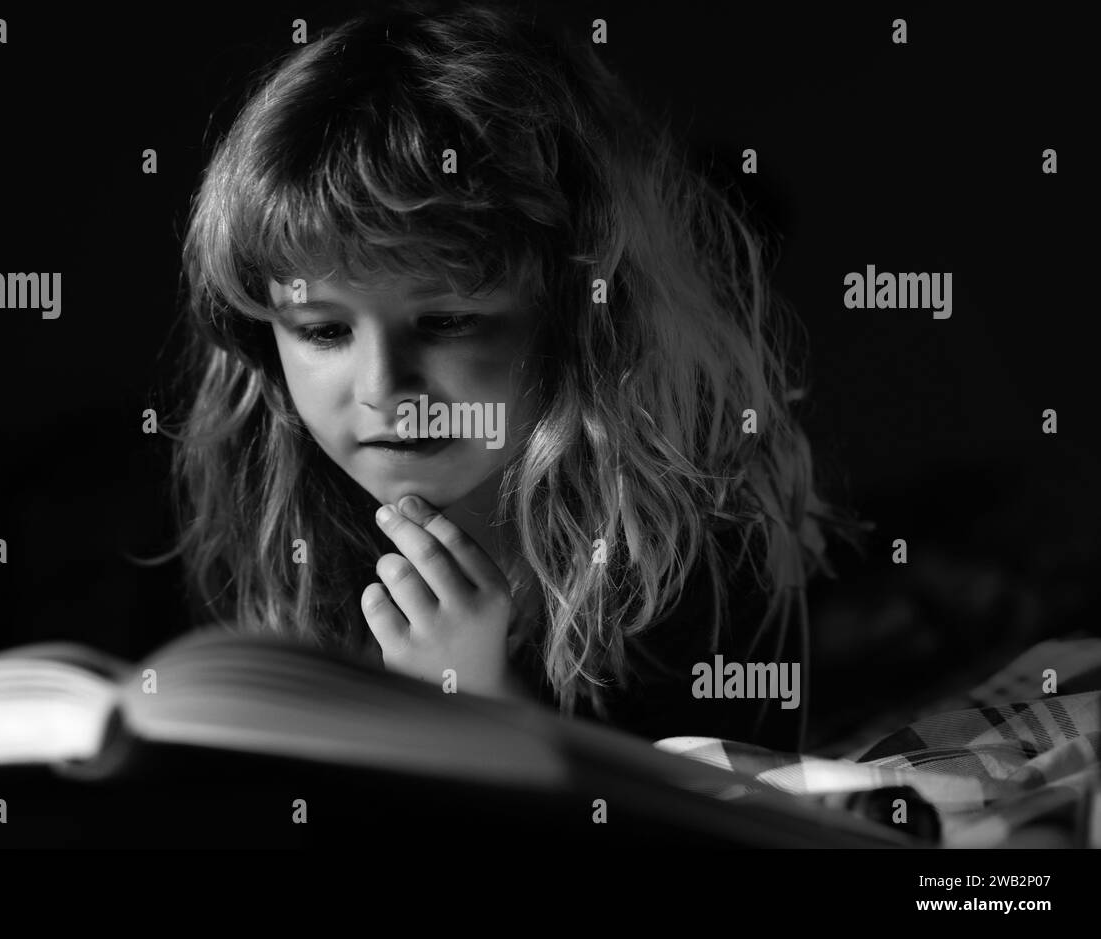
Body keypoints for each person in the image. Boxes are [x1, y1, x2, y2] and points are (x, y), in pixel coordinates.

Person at [160, 1, 871, 753]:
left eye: (447, 321)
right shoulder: (289, 518)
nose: (382, 388)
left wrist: (480, 703)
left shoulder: (703, 546)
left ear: (583, 317)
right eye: (325, 331)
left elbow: (713, 814)